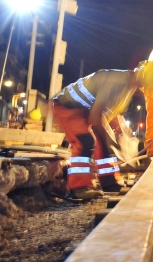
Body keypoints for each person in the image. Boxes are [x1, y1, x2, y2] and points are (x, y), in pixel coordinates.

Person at [52, 66, 146, 199]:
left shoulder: (127, 86)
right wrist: (110, 138)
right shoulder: (117, 83)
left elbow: (108, 113)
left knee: (104, 144)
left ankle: (109, 182)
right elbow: (95, 117)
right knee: (85, 141)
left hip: (84, 110)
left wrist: (118, 134)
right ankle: (79, 188)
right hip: (68, 106)